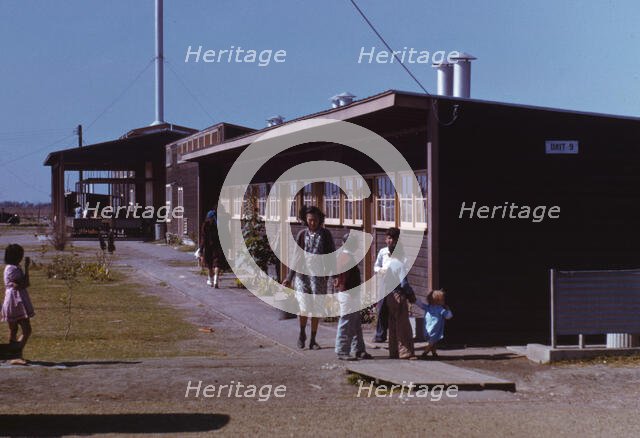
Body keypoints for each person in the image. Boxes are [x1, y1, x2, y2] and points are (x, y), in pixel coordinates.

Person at [283, 205, 335, 350]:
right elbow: (296, 256)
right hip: (302, 275)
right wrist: (289, 277)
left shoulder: (325, 234)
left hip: (318, 276)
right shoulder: (301, 235)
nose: (313, 223)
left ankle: (313, 339)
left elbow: (332, 255)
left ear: (320, 220)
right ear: (306, 220)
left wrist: (334, 275)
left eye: (315, 220)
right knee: (304, 307)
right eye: (310, 220)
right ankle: (301, 334)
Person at [334, 233, 372, 361]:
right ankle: (342, 350)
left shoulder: (346, 256)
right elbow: (343, 278)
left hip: (351, 293)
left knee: (355, 323)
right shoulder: (346, 257)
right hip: (348, 293)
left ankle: (359, 349)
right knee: (346, 322)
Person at [382, 241, 416, 359]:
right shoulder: (400, 265)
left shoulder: (388, 264)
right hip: (398, 295)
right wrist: (411, 295)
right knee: (403, 326)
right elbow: (404, 284)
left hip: (389, 296)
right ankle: (405, 352)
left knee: (392, 325)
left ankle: (394, 351)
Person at [2, 244, 35, 361]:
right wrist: (26, 268)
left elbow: (24, 283)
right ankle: (16, 351)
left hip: (14, 299)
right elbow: (24, 284)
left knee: (14, 329)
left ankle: (13, 352)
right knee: (26, 329)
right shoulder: (12, 269)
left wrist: (25, 268)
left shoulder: (11, 268)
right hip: (15, 300)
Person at [372, 227, 400, 343]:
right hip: (384, 282)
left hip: (396, 283)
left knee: (396, 309)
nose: (390, 241)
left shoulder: (401, 252)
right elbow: (376, 266)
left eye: (393, 239)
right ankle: (380, 335)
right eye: (388, 238)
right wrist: (381, 270)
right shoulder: (383, 252)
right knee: (382, 308)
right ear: (385, 239)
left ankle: (397, 336)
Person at [417, 289, 453, 358]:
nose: (444, 301)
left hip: (427, 328)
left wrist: (415, 300)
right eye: (443, 299)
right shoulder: (440, 309)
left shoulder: (428, 307)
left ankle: (434, 353)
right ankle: (425, 353)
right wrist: (448, 310)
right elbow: (448, 316)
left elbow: (420, 305)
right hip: (436, 329)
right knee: (432, 342)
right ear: (438, 300)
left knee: (433, 341)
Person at [200, 208, 223, 288]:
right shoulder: (218, 225)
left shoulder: (205, 225)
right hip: (217, 246)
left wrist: (201, 250)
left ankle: (210, 280)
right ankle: (216, 279)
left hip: (208, 247)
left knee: (209, 264)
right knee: (217, 263)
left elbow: (203, 239)